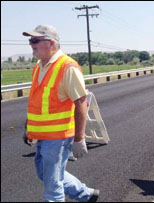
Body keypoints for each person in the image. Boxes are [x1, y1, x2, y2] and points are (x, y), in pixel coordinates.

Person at [22, 24, 99, 202]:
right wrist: (29, 128)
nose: (31, 44)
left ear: (50, 43)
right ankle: (85, 195)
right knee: (45, 173)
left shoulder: (67, 67)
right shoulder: (38, 67)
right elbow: (36, 101)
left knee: (52, 185)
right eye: (30, 40)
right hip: (43, 135)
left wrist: (79, 139)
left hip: (58, 136)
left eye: (35, 40)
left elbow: (81, 102)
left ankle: (83, 195)